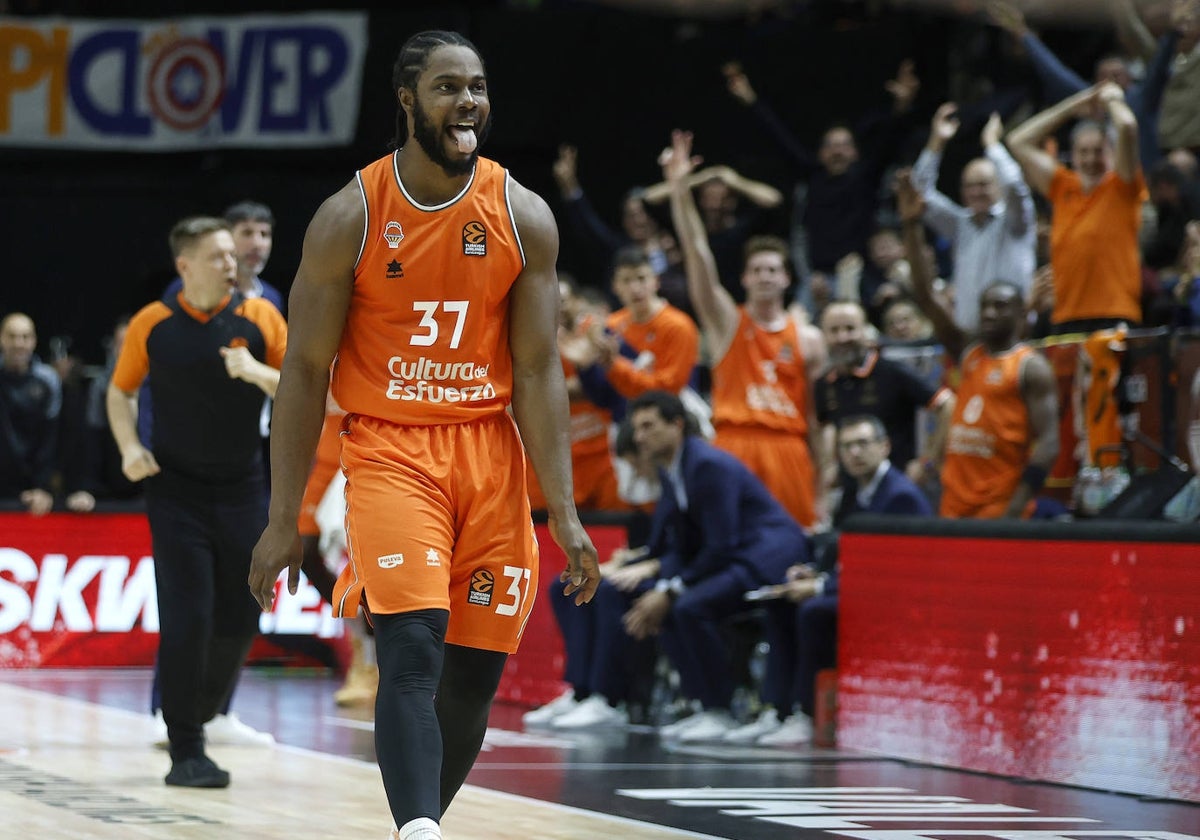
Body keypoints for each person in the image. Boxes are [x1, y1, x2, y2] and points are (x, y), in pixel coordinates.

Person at [245, 31, 600, 840]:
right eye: (447, 87)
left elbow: (541, 370)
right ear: (407, 100)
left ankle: (423, 823)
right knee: (411, 647)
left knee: (474, 673)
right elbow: (303, 373)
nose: (467, 102)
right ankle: (418, 832)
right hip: (392, 449)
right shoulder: (351, 216)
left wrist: (567, 512)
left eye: (476, 86)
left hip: (489, 454)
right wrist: (282, 519)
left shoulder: (524, 216)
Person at [106, 216, 287, 788]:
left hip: (244, 488)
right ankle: (187, 747)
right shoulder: (153, 324)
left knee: (242, 612)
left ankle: (200, 714)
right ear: (184, 265)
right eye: (218, 256)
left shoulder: (261, 318)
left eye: (233, 256)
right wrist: (130, 445)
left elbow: (311, 388)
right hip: (175, 492)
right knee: (188, 615)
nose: (231, 265)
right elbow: (119, 391)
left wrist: (260, 373)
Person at [731, 414, 933, 747]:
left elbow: (891, 575)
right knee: (780, 603)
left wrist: (823, 586)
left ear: (885, 447)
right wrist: (813, 571)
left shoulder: (900, 496)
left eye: (862, 444)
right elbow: (846, 551)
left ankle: (807, 715)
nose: (854, 453)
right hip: (857, 589)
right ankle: (777, 709)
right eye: (846, 446)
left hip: (897, 601)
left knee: (813, 611)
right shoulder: (855, 490)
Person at [620, 390, 809, 743]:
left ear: (677, 424)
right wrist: (660, 581)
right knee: (669, 606)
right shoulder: (671, 471)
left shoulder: (707, 465)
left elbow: (721, 544)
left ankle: (721, 708)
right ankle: (706, 705)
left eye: (649, 426)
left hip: (766, 554)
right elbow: (683, 543)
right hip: (735, 554)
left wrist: (671, 587)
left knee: (689, 606)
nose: (640, 437)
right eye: (637, 428)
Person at [662, 129, 826, 529]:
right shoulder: (727, 321)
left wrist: (823, 487)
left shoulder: (809, 338)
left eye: (773, 269)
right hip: (735, 442)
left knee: (790, 552)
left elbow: (816, 420)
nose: (765, 276)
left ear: (788, 278)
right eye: (757, 270)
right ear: (745, 279)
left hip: (789, 447)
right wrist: (679, 191)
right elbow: (698, 254)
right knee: (730, 546)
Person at [897, 170, 1060, 519]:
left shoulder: (1030, 367)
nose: (987, 313)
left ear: (1021, 314)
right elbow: (926, 297)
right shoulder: (969, 351)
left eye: (999, 306)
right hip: (955, 505)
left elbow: (1048, 444)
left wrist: (1017, 505)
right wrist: (911, 227)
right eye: (985, 305)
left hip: (1001, 509)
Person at [1006, 81, 1146, 333]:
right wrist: (1073, 106)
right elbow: (1018, 140)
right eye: (1083, 152)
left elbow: (1126, 126)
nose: (1091, 159)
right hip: (1066, 317)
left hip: (1113, 314)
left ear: (1112, 154)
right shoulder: (1062, 186)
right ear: (1073, 155)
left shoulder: (1122, 186)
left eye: (1098, 151)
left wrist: (1112, 100)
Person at [910, 106, 1037, 331]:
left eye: (984, 184)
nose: (976, 192)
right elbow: (919, 195)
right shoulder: (960, 224)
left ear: (998, 186)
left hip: (1015, 333)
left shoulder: (1016, 221)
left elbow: (1014, 185)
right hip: (970, 337)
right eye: (970, 186)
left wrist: (992, 144)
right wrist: (936, 141)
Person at [815, 300, 954, 490]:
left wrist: (927, 463)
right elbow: (825, 427)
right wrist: (828, 465)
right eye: (834, 330)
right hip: (852, 489)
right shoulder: (824, 383)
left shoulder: (891, 371)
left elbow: (947, 404)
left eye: (850, 328)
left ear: (865, 331)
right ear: (823, 335)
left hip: (897, 486)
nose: (842, 337)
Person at [162, 200, 283, 311]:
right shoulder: (185, 288)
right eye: (247, 233)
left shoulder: (272, 297)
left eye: (264, 234)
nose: (257, 244)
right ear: (227, 237)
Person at [0, 312, 61, 515]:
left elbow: (50, 438)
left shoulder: (48, 381)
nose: (19, 343)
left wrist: (42, 487)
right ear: (2, 338)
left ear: (34, 341)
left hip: (31, 489)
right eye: (12, 336)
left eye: (25, 337)